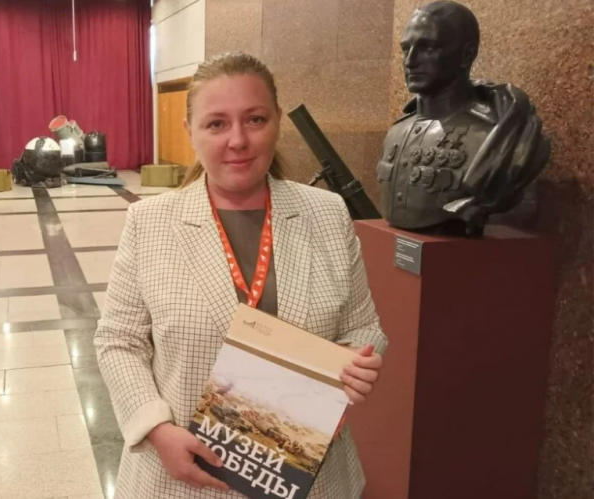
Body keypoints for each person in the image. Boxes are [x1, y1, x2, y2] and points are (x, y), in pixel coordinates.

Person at [94, 52, 388, 499]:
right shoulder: (150, 222)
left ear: (277, 122)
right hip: (185, 476)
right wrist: (155, 429)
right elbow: (118, 341)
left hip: (310, 475)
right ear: (190, 131)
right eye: (216, 124)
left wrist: (356, 362)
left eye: (255, 119)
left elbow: (363, 325)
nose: (238, 140)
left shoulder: (327, 213)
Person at [378, 1, 550, 234]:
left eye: (428, 47)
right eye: (406, 49)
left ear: (466, 54)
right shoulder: (396, 132)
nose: (410, 61)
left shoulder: (493, 135)